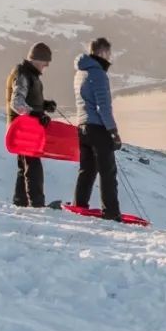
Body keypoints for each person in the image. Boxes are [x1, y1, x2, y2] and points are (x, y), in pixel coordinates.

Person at [74, 37, 122, 222]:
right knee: (107, 172)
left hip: (82, 126)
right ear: (102, 52)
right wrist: (113, 131)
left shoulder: (80, 72)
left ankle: (80, 205)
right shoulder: (98, 74)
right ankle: (111, 212)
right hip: (98, 128)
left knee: (87, 170)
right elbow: (103, 107)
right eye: (108, 53)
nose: (110, 58)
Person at [6, 42, 57, 208]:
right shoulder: (22, 74)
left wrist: (44, 105)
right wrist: (35, 113)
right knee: (32, 165)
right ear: (37, 59)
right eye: (45, 61)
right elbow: (17, 102)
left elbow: (30, 100)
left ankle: (20, 202)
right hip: (23, 128)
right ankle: (37, 203)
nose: (47, 65)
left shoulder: (31, 75)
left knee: (25, 166)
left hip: (27, 127)